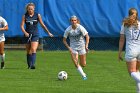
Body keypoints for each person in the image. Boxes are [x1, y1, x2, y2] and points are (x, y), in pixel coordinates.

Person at [21, 3, 53, 69]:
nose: (30, 10)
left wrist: (48, 32)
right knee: (28, 51)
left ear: (34, 9)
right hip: (27, 35)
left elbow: (42, 25)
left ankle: (32, 65)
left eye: (31, 9)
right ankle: (29, 65)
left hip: (35, 34)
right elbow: (21, 26)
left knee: (33, 49)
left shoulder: (37, 15)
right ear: (27, 9)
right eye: (29, 9)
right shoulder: (25, 16)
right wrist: (25, 32)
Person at [118, 8, 140, 93]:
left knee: (132, 72)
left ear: (129, 14)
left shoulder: (125, 24)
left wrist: (119, 53)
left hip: (131, 50)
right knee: (137, 72)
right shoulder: (139, 23)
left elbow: (121, 40)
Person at [63, 15, 90, 80]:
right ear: (70, 21)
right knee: (75, 63)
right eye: (72, 20)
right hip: (73, 48)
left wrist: (86, 46)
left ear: (77, 21)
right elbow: (64, 40)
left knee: (83, 64)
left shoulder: (80, 28)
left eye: (75, 20)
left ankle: (81, 68)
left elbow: (87, 36)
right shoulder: (68, 29)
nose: (73, 22)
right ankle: (83, 75)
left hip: (81, 46)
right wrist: (69, 48)